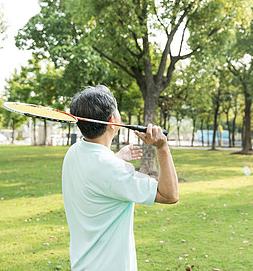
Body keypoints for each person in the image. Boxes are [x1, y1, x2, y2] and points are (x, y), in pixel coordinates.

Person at [62, 85, 178, 270]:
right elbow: (169, 195)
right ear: (112, 120)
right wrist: (162, 148)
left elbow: (99, 173)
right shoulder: (114, 170)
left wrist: (115, 157)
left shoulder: (74, 152)